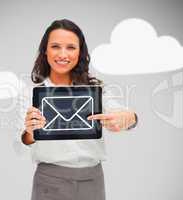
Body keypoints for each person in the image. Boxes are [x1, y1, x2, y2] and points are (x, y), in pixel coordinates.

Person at [20, 19, 137, 200]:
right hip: (50, 181)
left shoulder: (96, 89)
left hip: (93, 179)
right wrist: (30, 131)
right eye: (55, 46)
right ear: (45, 50)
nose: (63, 54)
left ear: (80, 52)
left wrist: (130, 117)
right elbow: (21, 141)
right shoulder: (31, 93)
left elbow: (122, 114)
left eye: (71, 47)